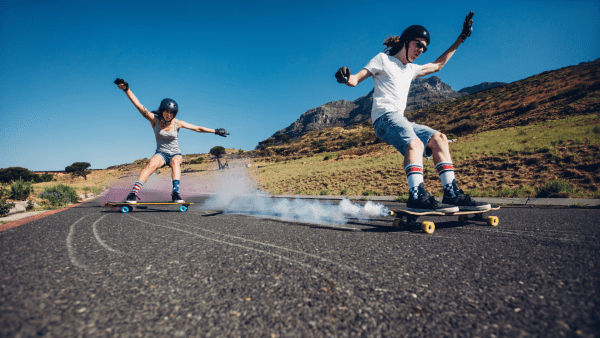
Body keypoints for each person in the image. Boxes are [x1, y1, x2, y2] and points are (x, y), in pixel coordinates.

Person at [334, 12, 490, 213]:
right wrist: (344, 77)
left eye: (425, 48)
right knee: (414, 143)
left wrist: (461, 38)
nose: (421, 50)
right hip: (384, 118)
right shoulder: (383, 60)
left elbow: (439, 65)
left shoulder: (411, 69)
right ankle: (417, 197)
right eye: (419, 45)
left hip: (400, 119)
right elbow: (355, 80)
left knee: (439, 138)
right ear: (407, 42)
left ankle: (452, 195)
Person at [114, 78, 229, 203]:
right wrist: (127, 89)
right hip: (161, 153)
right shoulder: (154, 120)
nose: (169, 114)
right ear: (162, 111)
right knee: (151, 165)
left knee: (175, 162)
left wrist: (216, 131)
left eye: (171, 112)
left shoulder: (177, 123)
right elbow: (139, 106)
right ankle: (133, 194)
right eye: (166, 111)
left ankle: (175, 194)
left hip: (175, 153)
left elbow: (197, 128)